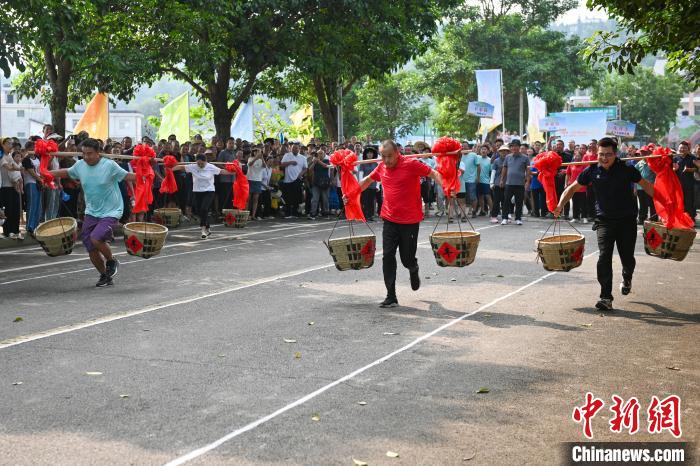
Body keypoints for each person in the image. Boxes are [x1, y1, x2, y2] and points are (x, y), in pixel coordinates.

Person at [553, 137, 654, 312]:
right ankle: (605, 296)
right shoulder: (591, 170)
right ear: (596, 154)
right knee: (604, 256)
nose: (604, 158)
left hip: (626, 220)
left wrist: (666, 205)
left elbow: (647, 187)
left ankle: (627, 276)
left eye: (608, 154)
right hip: (604, 220)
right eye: (601, 154)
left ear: (615, 154)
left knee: (627, 257)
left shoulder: (627, 170)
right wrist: (560, 205)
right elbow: (571, 188)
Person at [353, 140, 442, 308]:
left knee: (406, 258)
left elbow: (433, 173)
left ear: (397, 153)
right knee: (387, 256)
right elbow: (366, 181)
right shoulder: (381, 167)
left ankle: (413, 268)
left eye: (389, 156)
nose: (386, 160)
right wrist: (351, 194)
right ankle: (391, 295)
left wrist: (448, 187)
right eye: (383, 156)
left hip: (410, 220)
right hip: (389, 219)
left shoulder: (411, 164)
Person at [50, 138, 137, 287]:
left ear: (98, 153)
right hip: (91, 211)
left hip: (112, 210)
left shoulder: (109, 165)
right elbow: (66, 172)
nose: (86, 157)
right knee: (90, 245)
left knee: (96, 238)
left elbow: (129, 176)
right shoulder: (80, 165)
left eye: (90, 153)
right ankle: (105, 276)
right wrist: (47, 173)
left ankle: (111, 261)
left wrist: (146, 173)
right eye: (83, 153)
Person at [172, 153, 237, 238]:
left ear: (205, 161)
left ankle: (203, 230)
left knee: (204, 208)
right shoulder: (193, 166)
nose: (200, 165)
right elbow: (181, 167)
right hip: (197, 191)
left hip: (209, 191)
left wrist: (234, 171)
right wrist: (170, 168)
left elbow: (222, 171)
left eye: (202, 163)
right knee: (200, 211)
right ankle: (207, 225)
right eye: (198, 163)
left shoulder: (211, 167)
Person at [499, 139, 531, 225]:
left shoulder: (525, 158)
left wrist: (527, 182)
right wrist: (502, 179)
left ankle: (518, 218)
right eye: (512, 146)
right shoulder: (508, 157)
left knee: (519, 202)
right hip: (509, 183)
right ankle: (505, 218)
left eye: (516, 146)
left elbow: (528, 170)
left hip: (520, 184)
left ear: (519, 147)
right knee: (506, 201)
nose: (514, 148)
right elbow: (504, 168)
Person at [280, 143, 307, 217]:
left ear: (299, 149)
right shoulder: (287, 155)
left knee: (297, 197)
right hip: (287, 180)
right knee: (288, 197)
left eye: (296, 148)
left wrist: (300, 175)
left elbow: (305, 168)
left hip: (297, 180)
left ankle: (295, 212)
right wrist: (290, 162)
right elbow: (282, 165)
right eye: (293, 148)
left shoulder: (303, 158)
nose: (295, 149)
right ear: (291, 149)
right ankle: (288, 213)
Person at [673, 141, 697, 221]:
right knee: (679, 203)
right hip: (677, 185)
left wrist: (689, 169)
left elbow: (697, 169)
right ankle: (680, 220)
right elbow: (670, 170)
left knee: (689, 203)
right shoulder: (675, 158)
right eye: (681, 148)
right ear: (678, 149)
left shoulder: (692, 158)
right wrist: (674, 169)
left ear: (688, 149)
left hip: (689, 185)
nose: (682, 149)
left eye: (684, 148)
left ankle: (690, 220)